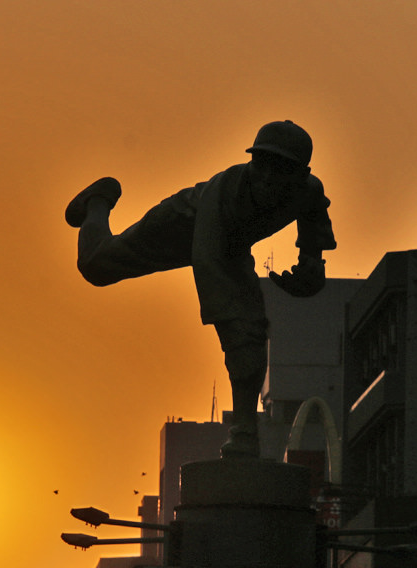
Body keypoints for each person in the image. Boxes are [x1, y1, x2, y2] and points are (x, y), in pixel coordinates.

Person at [65, 120, 337, 457]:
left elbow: (314, 238)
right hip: (181, 226)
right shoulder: (225, 195)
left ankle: (244, 433)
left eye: (279, 169)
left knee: (250, 334)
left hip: (232, 243)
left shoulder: (307, 192)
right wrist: (237, 322)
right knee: (96, 266)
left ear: (300, 174)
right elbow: (212, 265)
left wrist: (310, 269)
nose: (267, 177)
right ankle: (98, 200)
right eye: (261, 164)